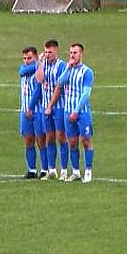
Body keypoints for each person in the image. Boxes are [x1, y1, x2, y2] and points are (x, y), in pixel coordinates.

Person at [47, 43, 94, 183]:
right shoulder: (69, 71)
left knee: (85, 141)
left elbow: (86, 94)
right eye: (71, 53)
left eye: (75, 53)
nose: (72, 55)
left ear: (81, 54)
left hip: (82, 112)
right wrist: (68, 67)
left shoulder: (87, 72)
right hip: (67, 112)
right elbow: (59, 83)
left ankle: (88, 170)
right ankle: (75, 172)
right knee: (72, 142)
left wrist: (76, 110)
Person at [36, 39, 68, 180]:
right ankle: (51, 169)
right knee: (49, 138)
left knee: (61, 137)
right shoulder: (44, 65)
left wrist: (50, 106)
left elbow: (59, 87)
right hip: (45, 107)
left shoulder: (61, 66)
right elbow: (39, 79)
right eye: (46, 51)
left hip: (58, 107)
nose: (48, 54)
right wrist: (40, 63)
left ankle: (64, 170)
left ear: (56, 51)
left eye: (50, 52)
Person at [18, 46, 47, 179]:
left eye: (29, 58)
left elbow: (38, 90)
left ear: (35, 56)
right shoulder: (25, 69)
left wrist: (30, 107)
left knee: (41, 140)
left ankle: (45, 169)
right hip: (24, 111)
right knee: (28, 140)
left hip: (36, 110)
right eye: (24, 58)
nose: (26, 61)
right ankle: (31, 169)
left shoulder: (39, 70)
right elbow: (21, 70)